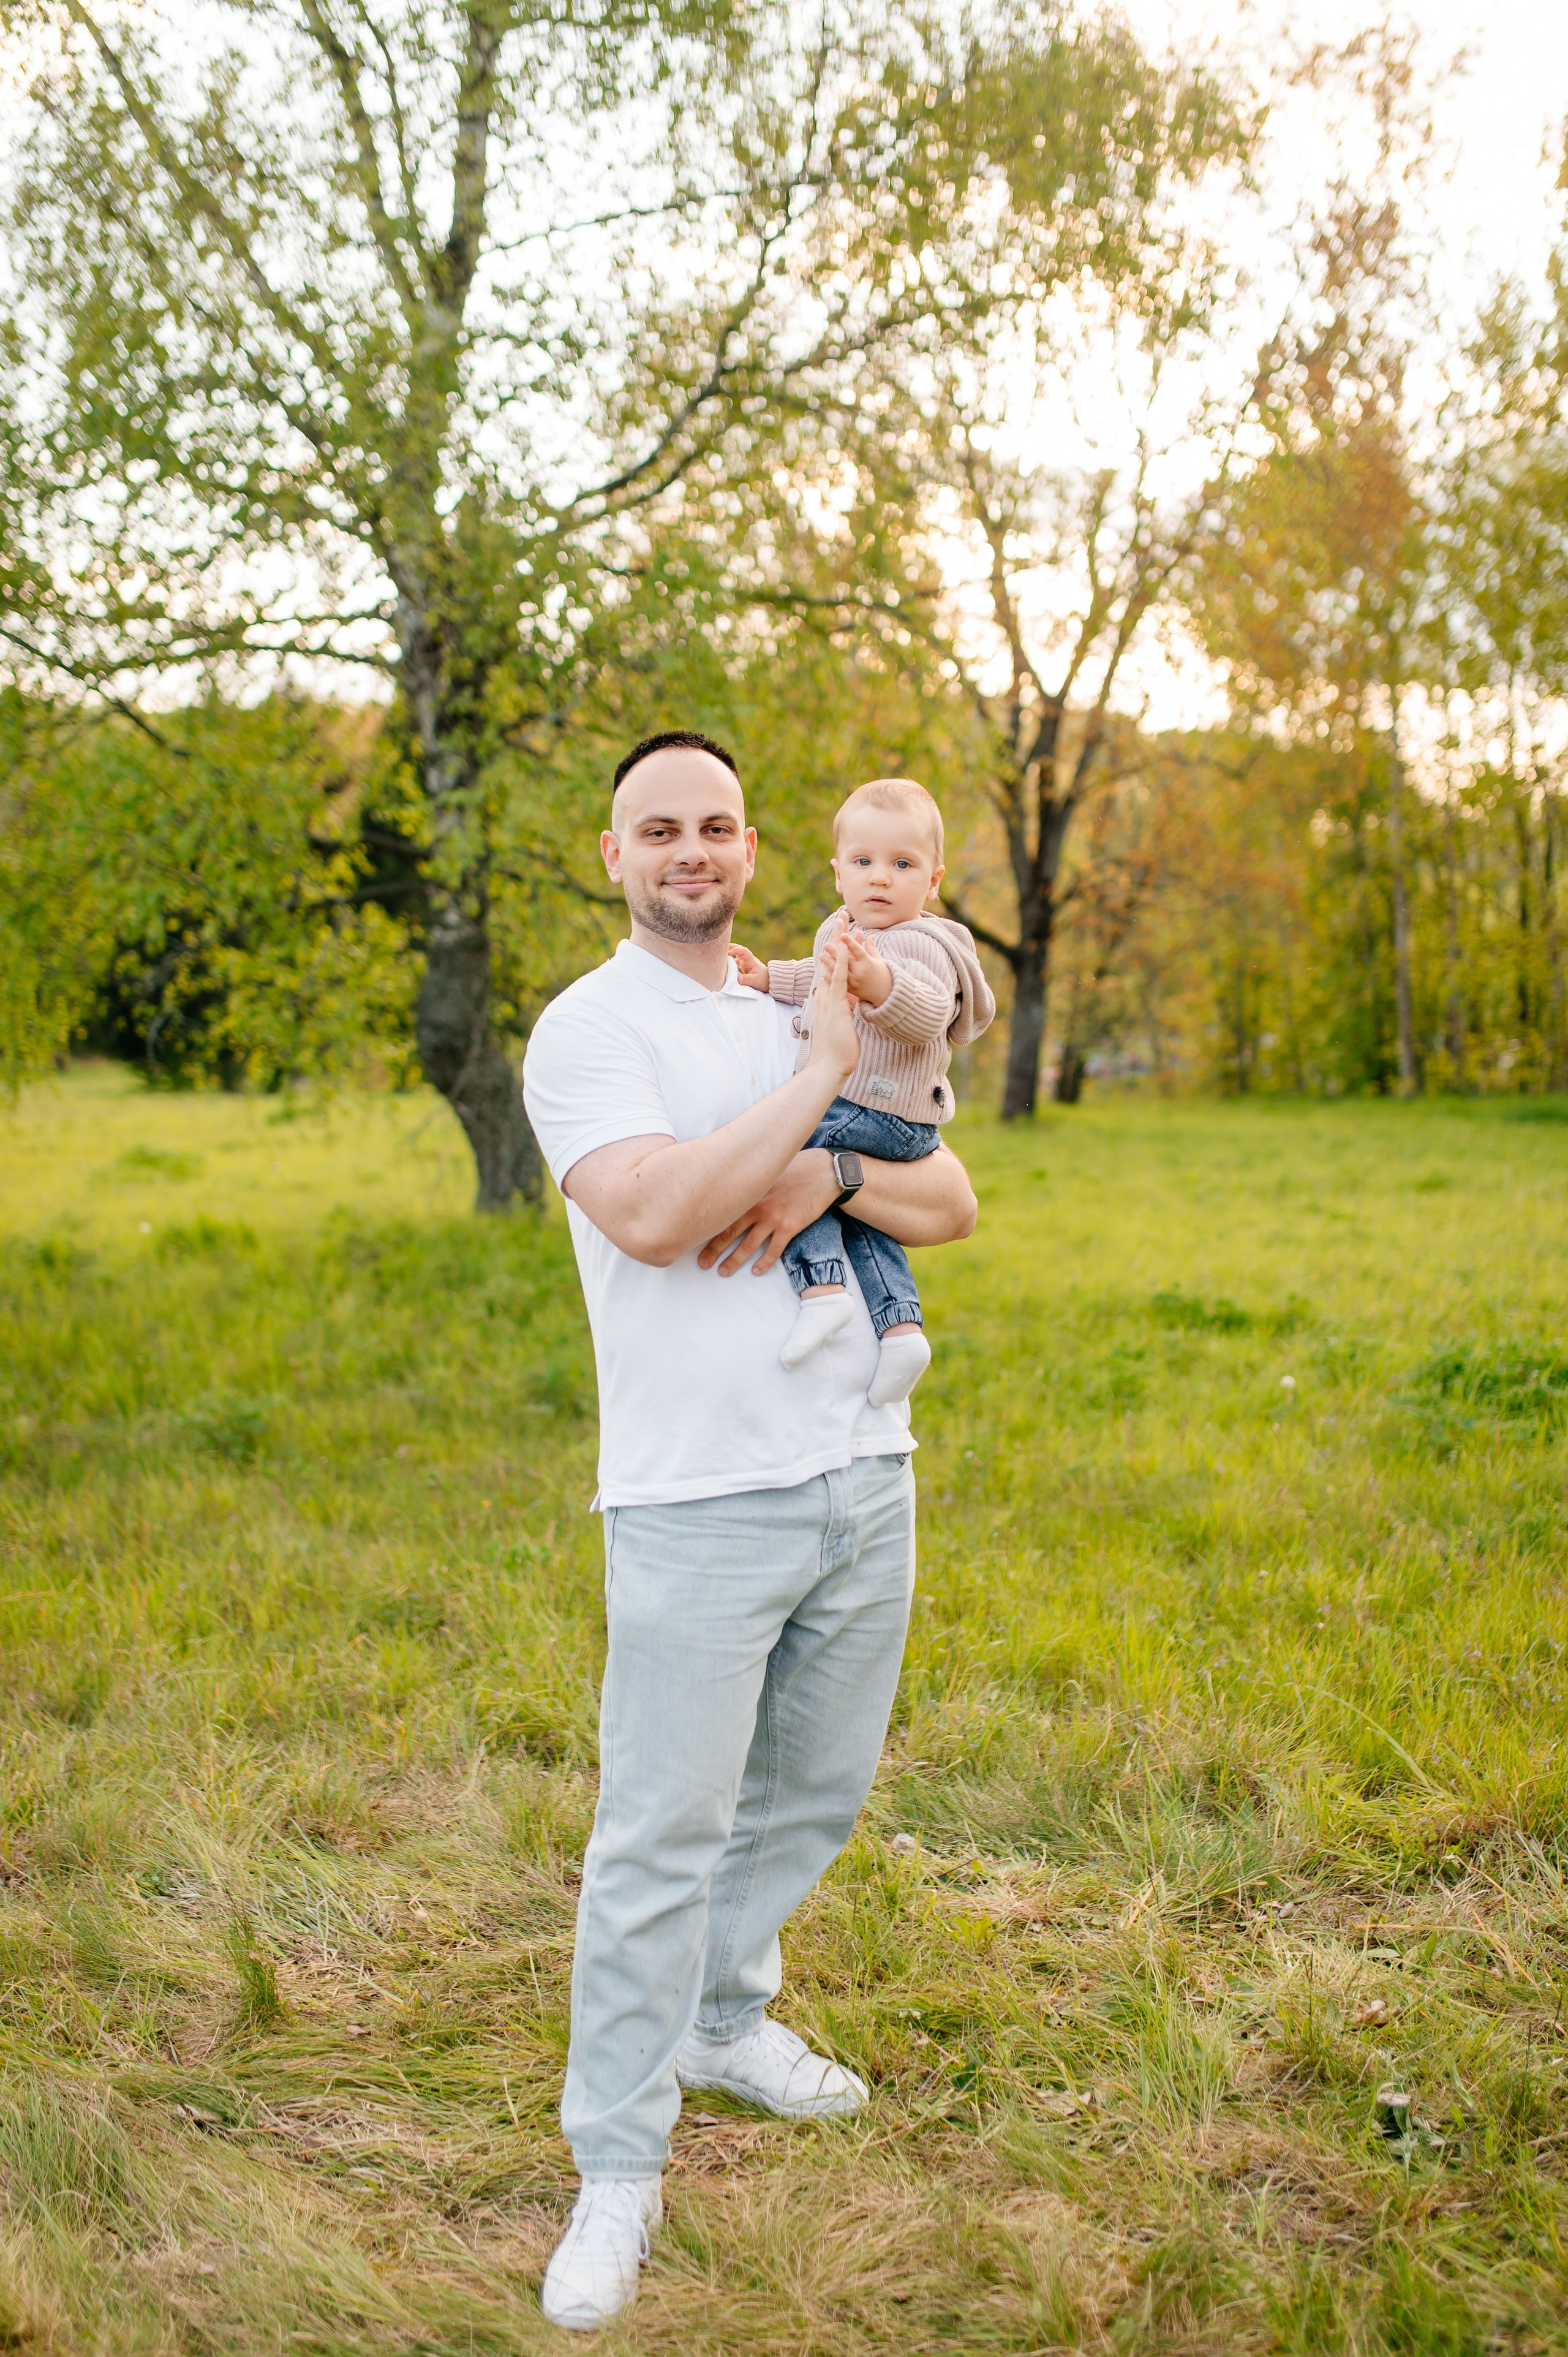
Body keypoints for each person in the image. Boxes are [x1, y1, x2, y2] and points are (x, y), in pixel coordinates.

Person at [520, 730, 978, 2332]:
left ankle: (723, 2020)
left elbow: (949, 1200)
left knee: (810, 1795)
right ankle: (616, 2166)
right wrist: (814, 1088)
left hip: (862, 1467)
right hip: (697, 1493)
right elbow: (655, 1211)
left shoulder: (806, 989)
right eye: (660, 829)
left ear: (752, 845)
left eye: (716, 824)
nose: (691, 851)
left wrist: (830, 1176)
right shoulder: (592, 1029)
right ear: (615, 853)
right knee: (661, 1834)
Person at [730, 775, 994, 1407]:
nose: (880, 878)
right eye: (863, 862)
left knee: (787, 1146)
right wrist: (769, 977)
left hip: (885, 1112)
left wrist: (880, 984)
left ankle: (821, 1289)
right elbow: (818, 976)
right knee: (864, 1212)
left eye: (902, 864)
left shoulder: (920, 944)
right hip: (867, 1112)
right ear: (838, 873)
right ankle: (901, 1328)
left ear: (932, 881)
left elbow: (929, 1012)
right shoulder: (843, 930)